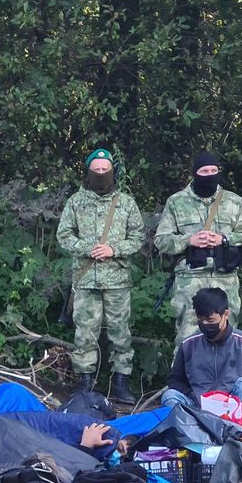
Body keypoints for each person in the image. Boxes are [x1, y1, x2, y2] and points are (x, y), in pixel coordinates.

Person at [56, 148, 145, 403]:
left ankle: (120, 382)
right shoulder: (75, 201)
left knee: (120, 332)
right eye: (96, 169)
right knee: (85, 333)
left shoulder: (126, 203)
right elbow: (64, 235)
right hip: (85, 280)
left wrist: (114, 249)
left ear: (112, 171)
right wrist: (87, 248)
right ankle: (84, 384)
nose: (101, 173)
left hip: (117, 279)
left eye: (105, 169)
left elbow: (138, 237)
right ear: (88, 171)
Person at [154, 151, 242, 346]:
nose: (209, 174)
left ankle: (225, 377)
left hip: (225, 278)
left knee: (227, 338)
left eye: (213, 170)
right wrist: (189, 240)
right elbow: (161, 241)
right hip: (190, 279)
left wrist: (223, 239)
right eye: (204, 170)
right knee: (188, 339)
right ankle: (186, 377)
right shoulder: (177, 201)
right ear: (195, 173)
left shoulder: (234, 201)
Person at [161, 287, 242, 407]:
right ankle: (189, 426)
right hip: (199, 405)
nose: (205, 324)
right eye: (201, 320)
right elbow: (175, 380)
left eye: (210, 320)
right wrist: (194, 395)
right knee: (169, 396)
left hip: (234, 407)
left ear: (226, 314)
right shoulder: (188, 345)